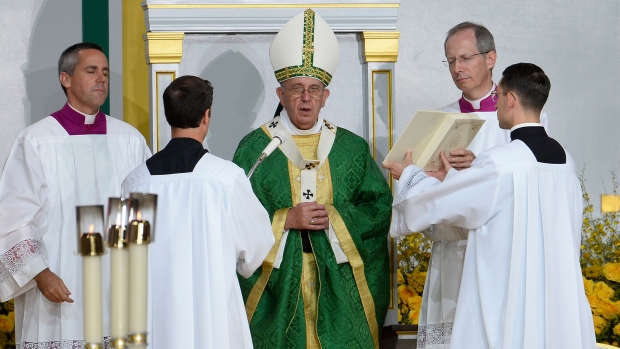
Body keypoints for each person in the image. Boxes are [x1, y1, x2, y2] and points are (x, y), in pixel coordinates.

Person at [385, 63, 596, 349]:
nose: (495, 104)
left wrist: (412, 175)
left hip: (508, 294)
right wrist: (456, 178)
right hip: (553, 297)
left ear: (511, 99)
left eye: (498, 96)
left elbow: (442, 205)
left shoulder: (501, 161)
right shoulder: (565, 161)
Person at [232, 9, 393, 349]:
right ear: (280, 95)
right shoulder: (255, 149)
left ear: (325, 96)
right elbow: (235, 216)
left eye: (314, 89)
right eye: (296, 89)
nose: (306, 98)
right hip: (277, 286)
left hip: (338, 282)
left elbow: (378, 209)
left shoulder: (351, 148)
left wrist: (334, 217)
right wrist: (285, 219)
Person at [402, 22, 550, 348]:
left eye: (466, 58)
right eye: (451, 60)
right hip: (452, 254)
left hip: (504, 255)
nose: (458, 68)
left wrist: (476, 168)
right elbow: (427, 192)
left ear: (491, 58)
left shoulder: (524, 118)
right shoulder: (439, 121)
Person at [0, 42, 150, 347]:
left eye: (106, 73)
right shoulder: (37, 140)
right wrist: (39, 273)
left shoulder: (129, 140)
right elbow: (14, 217)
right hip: (58, 282)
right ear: (65, 79)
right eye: (91, 71)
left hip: (118, 287)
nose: (102, 79)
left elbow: (143, 211)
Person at [121, 75, 274, 348]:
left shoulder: (133, 182)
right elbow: (255, 249)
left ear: (168, 116)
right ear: (207, 115)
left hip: (154, 320)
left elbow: (124, 257)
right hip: (211, 316)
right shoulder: (226, 178)